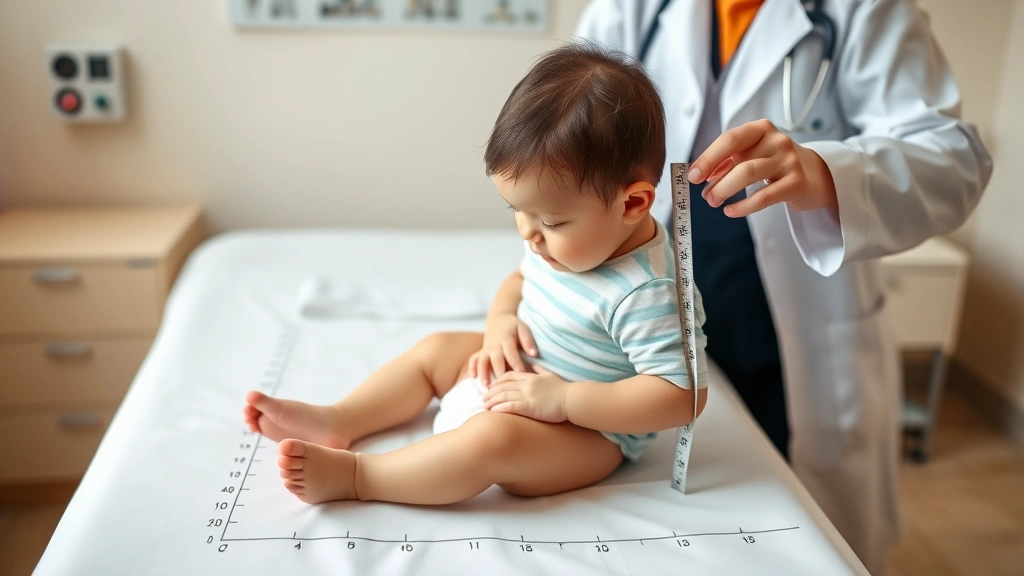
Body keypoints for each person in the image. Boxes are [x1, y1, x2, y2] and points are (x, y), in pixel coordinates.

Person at [575, 0, 993, 573]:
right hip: (650, 307)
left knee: (791, 541)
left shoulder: (861, 9)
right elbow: (565, 134)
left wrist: (826, 170)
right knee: (668, 526)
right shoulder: (633, 8)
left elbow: (955, 159)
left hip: (791, 326)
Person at [241, 43, 710, 506]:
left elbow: (680, 395)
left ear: (632, 203)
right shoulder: (570, 245)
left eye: (550, 221)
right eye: (517, 211)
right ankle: (340, 419)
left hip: (586, 431)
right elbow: (520, 282)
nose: (529, 234)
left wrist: (565, 400)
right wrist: (500, 324)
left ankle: (361, 477)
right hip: (525, 369)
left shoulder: (649, 293)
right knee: (437, 349)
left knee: (492, 440)